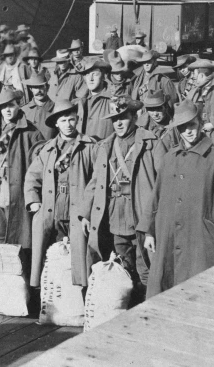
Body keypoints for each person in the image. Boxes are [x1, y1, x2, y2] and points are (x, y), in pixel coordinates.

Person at [140, 100, 214, 298]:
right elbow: (156, 196)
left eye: (191, 125)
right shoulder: (169, 158)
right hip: (169, 236)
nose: (188, 132)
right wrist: (149, 231)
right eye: (182, 127)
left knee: (201, 294)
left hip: (202, 239)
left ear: (200, 124)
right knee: (167, 290)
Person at [81, 96, 157, 298]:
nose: (119, 123)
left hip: (141, 212)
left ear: (134, 116)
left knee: (146, 266)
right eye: (115, 119)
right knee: (124, 265)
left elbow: (163, 181)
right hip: (116, 214)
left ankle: (148, 308)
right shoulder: (106, 146)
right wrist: (86, 212)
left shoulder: (150, 143)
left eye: (123, 117)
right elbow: (96, 181)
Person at [24, 99, 95, 288]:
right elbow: (32, 177)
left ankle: (78, 301)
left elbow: (97, 181)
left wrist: (87, 210)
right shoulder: (47, 149)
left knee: (78, 259)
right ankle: (49, 300)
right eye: (63, 121)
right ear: (56, 124)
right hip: (51, 209)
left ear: (77, 120)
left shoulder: (89, 147)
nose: (68, 125)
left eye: (71, 120)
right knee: (50, 259)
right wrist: (34, 201)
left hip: (76, 210)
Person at [0, 88, 44, 252]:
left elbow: (39, 164)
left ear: (19, 105)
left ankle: (20, 271)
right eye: (3, 106)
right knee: (0, 231)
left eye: (11, 105)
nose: (7, 110)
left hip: (15, 188)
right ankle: (4, 272)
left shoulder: (31, 131)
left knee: (16, 232)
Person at [184, 58, 214, 157]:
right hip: (203, 137)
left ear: (202, 75)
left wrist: (213, 124)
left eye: (194, 75)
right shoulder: (195, 90)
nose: (192, 79)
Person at [75, 57, 115, 140]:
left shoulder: (113, 100)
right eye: (87, 74)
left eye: (95, 74)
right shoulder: (79, 101)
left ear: (104, 76)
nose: (91, 79)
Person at [21, 72, 56, 141]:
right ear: (30, 89)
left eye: (41, 86)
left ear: (47, 87)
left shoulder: (56, 109)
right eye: (35, 87)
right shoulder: (23, 111)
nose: (39, 91)